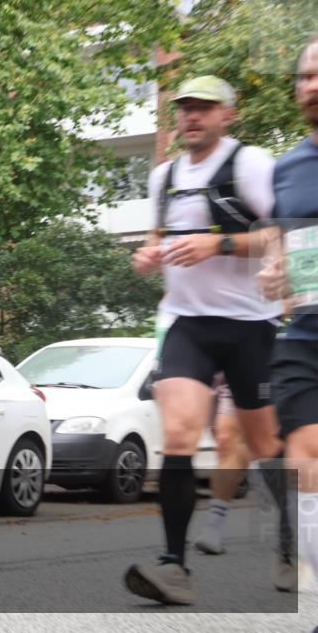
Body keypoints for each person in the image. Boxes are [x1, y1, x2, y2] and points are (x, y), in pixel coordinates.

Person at [126, 75, 288, 604]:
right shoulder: (164, 176)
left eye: (204, 107)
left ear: (227, 115)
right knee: (177, 435)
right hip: (187, 323)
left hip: (250, 324)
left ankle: (291, 545)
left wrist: (217, 245)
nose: (191, 116)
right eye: (185, 108)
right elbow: (158, 236)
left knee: (264, 446)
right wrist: (147, 254)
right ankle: (174, 567)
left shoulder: (250, 164)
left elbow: (279, 234)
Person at [257, 34, 318, 591]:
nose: (312, 85)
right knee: (304, 456)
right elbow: (279, 246)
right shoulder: (289, 168)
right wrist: (274, 273)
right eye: (304, 76)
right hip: (305, 334)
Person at [192, 376, 252, 556]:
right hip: (219, 374)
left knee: (240, 443)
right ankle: (213, 527)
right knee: (225, 442)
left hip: (263, 372)